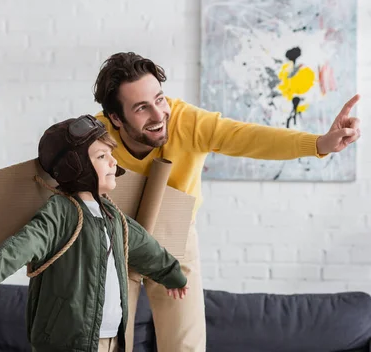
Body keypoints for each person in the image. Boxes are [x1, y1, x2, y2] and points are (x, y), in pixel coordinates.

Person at [92, 51, 362, 352]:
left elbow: (249, 138)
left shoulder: (187, 123)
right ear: (115, 117)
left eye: (159, 99)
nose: (158, 115)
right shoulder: (93, 137)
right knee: (105, 342)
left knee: (185, 346)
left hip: (175, 236)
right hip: (116, 239)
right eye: (142, 108)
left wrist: (319, 144)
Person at [0, 115, 189, 352]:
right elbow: (15, 251)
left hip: (113, 340)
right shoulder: (60, 213)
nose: (113, 162)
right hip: (67, 344)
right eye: (102, 156)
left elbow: (146, 248)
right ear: (76, 166)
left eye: (111, 155)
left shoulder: (113, 217)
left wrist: (171, 273)